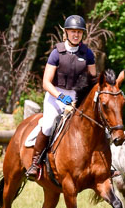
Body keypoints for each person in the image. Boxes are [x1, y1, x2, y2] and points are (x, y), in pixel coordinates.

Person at [26, 14, 97, 180]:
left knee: (94, 123)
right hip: (55, 94)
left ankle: (107, 163)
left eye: (79, 32)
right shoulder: (56, 53)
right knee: (49, 124)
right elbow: (46, 82)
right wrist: (62, 98)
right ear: (66, 33)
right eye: (72, 31)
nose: (76, 35)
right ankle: (35, 163)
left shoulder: (87, 54)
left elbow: (93, 79)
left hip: (77, 96)